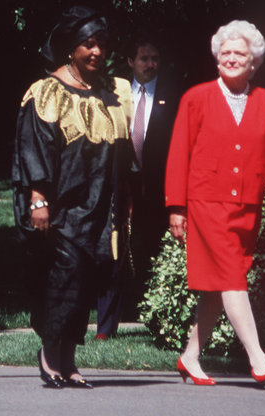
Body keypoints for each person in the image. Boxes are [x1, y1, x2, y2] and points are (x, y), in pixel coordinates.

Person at [12, 6, 133, 388]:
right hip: (59, 207)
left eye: (101, 45)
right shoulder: (47, 93)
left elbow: (122, 156)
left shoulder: (109, 94)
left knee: (86, 280)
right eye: (88, 44)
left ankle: (69, 357)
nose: (96, 52)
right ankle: (50, 354)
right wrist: (38, 200)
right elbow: (32, 150)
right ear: (71, 48)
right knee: (64, 277)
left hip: (97, 206)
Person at [166, 20, 265, 386]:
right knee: (232, 277)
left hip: (246, 208)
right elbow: (179, 152)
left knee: (219, 285)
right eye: (225, 53)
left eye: (240, 54)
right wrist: (176, 207)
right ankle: (258, 358)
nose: (231, 59)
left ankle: (190, 356)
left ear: (254, 63)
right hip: (206, 205)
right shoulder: (195, 97)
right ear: (216, 59)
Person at [96, 35, 179, 339]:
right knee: (113, 250)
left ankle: (159, 321)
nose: (150, 64)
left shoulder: (173, 96)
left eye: (154, 57)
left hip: (157, 186)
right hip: (120, 185)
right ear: (130, 62)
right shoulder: (115, 94)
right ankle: (106, 326)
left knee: (155, 249)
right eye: (143, 58)